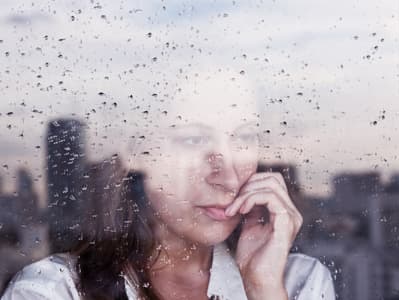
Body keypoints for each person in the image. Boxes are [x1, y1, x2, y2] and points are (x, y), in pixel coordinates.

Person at [2, 68, 335, 300]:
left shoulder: (296, 282)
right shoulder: (53, 291)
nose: (229, 176)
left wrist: (264, 293)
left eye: (244, 137)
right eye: (193, 140)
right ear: (139, 153)